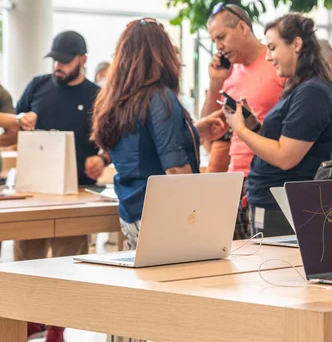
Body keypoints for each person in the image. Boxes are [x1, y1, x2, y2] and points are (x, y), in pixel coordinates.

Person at [92, 18, 227, 251]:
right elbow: (175, 169)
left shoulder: (116, 100)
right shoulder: (160, 97)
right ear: (162, 54)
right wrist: (202, 212)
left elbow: (142, 145)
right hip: (163, 216)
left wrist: (194, 132)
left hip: (131, 212)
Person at [13, 30, 109, 342]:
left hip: (76, 192)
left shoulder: (97, 96)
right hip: (33, 189)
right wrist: (21, 120)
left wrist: (102, 160)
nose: (59, 66)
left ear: (82, 59)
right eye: (55, 60)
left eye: (65, 61)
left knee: (67, 259)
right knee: (27, 257)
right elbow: (15, 123)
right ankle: (30, 317)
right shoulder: (38, 86)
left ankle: (57, 324)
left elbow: (111, 141)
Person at [223, 13, 332, 237]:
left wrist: (240, 129)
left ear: (296, 44)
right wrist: (255, 127)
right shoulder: (301, 89)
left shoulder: (313, 93)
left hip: (284, 207)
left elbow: (285, 157)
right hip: (273, 203)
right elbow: (282, 144)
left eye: (273, 48)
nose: (268, 57)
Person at [203, 3, 284, 239]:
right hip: (233, 179)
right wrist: (216, 83)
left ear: (242, 27)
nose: (218, 46)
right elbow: (209, 128)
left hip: (268, 177)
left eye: (221, 37)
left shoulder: (276, 64)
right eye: (214, 41)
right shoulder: (229, 73)